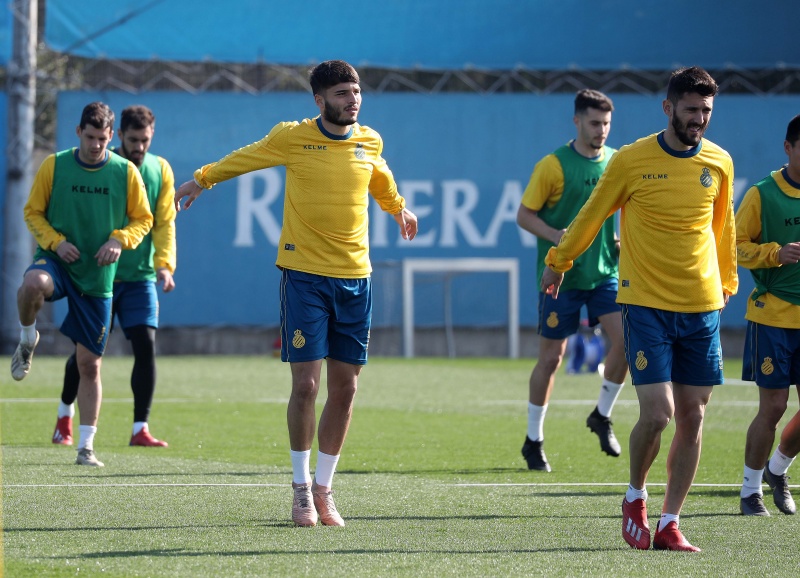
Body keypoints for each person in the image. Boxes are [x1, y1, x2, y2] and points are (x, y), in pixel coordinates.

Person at [174, 60, 418, 527]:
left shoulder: (370, 140)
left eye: (356, 91)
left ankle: (326, 490)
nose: (353, 100)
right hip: (304, 276)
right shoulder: (293, 135)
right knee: (306, 386)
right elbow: (248, 156)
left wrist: (399, 210)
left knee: (345, 390)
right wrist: (201, 179)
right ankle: (301, 490)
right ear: (319, 100)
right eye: (343, 93)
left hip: (356, 279)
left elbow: (381, 177)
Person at [541, 66, 737, 551]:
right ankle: (635, 497)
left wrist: (728, 281)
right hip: (645, 305)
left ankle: (671, 522)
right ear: (668, 108)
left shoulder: (718, 162)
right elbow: (591, 214)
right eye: (691, 109)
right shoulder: (631, 160)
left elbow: (723, 228)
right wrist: (559, 260)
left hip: (702, 308)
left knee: (693, 415)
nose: (699, 118)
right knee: (659, 413)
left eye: (706, 110)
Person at [11, 101, 152, 467]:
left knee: (89, 364)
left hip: (97, 275)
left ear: (111, 137)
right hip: (58, 260)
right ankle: (28, 338)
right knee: (31, 284)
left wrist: (119, 240)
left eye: (102, 139)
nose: (95, 146)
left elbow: (143, 219)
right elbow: (33, 212)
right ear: (78, 132)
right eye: (89, 137)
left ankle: (86, 446)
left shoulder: (124, 171)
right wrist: (56, 242)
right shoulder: (54, 165)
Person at [51, 105, 177, 449]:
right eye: (133, 140)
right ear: (118, 136)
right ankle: (65, 415)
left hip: (139, 277)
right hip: (96, 277)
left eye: (145, 141)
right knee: (86, 355)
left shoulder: (159, 169)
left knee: (145, 346)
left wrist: (165, 264)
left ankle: (140, 428)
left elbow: (163, 222)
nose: (139, 147)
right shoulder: (103, 165)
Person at [517, 89, 628, 473]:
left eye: (607, 124)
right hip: (559, 277)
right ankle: (533, 440)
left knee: (628, 343)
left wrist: (619, 240)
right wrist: (557, 236)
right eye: (595, 123)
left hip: (604, 275)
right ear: (577, 121)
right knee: (551, 358)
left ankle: (601, 414)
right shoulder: (553, 165)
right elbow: (524, 215)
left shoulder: (617, 161)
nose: (601, 131)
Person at [736, 114, 800, 517]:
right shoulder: (763, 193)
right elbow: (734, 247)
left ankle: (778, 470)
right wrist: (774, 253)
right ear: (788, 148)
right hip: (773, 317)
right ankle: (750, 490)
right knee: (773, 407)